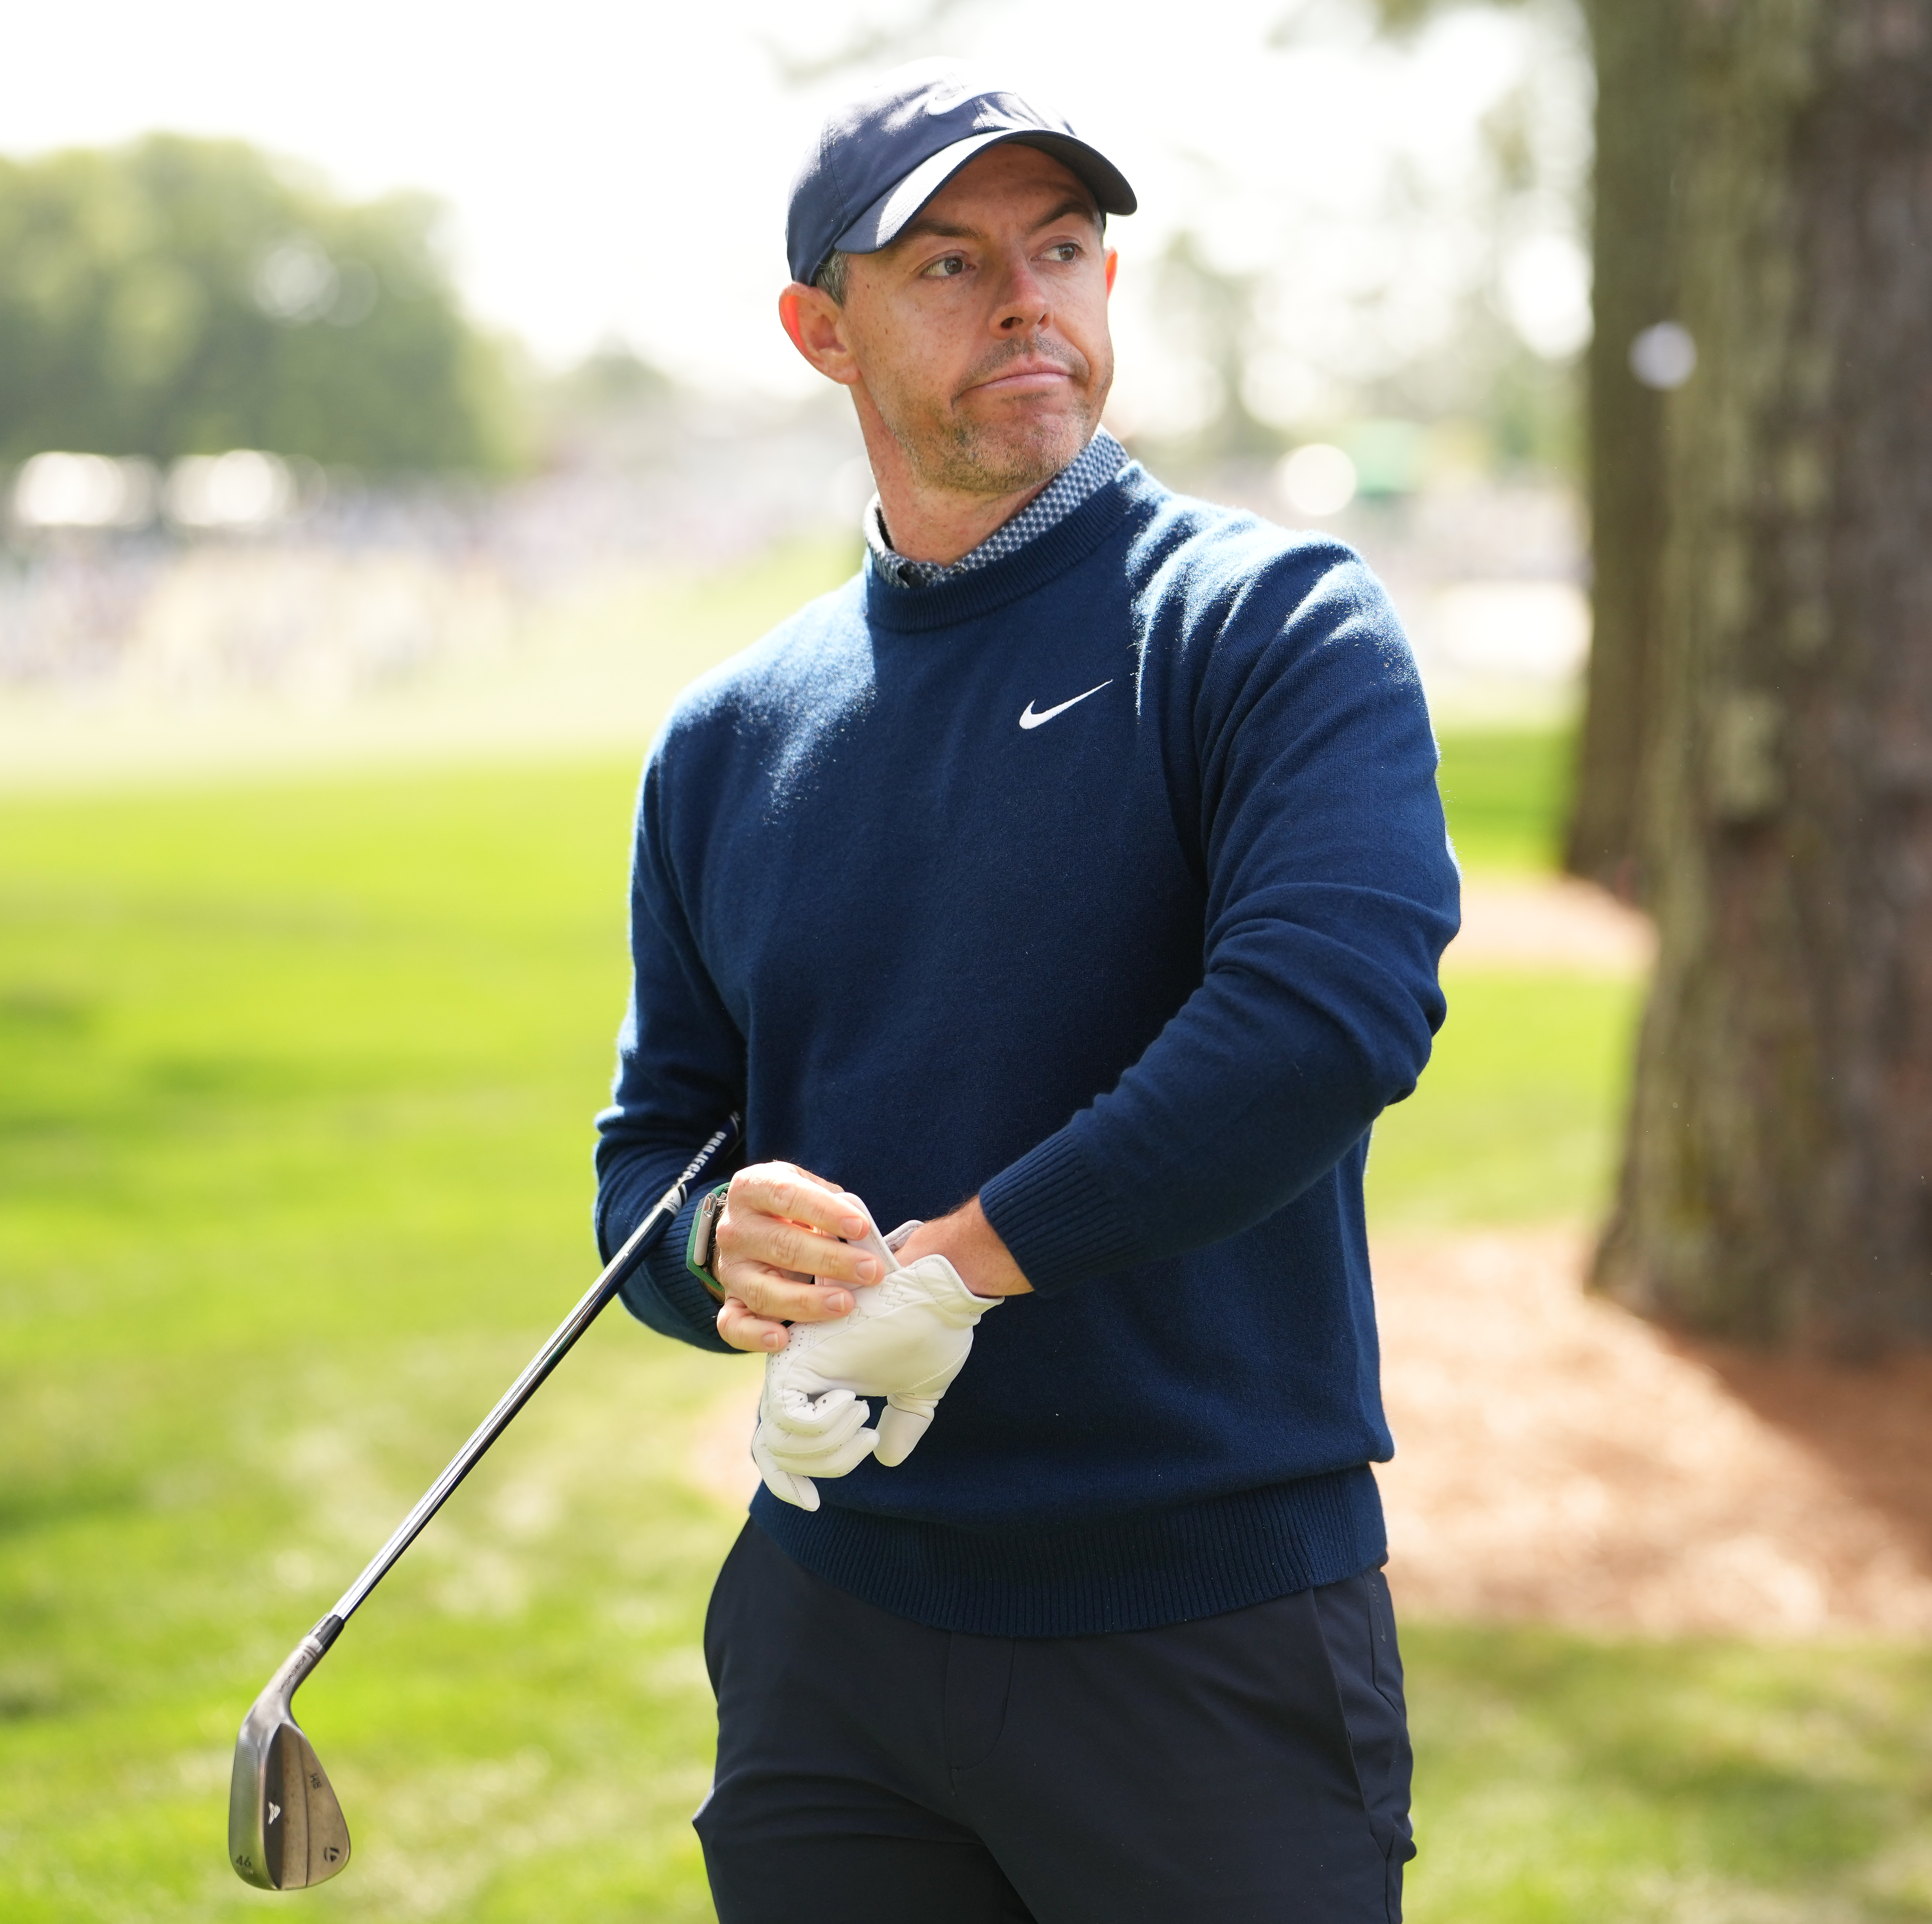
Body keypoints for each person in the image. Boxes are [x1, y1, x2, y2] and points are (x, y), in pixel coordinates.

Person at [592, 60, 1458, 1924]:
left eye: (1061, 249)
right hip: (831, 1632)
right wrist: (713, 1255)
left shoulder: (1266, 623)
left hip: (1199, 1631)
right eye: (948, 264)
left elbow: (1328, 1017)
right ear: (819, 329)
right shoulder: (730, 736)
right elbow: (652, 1155)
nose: (1026, 302)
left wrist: (953, 1267)